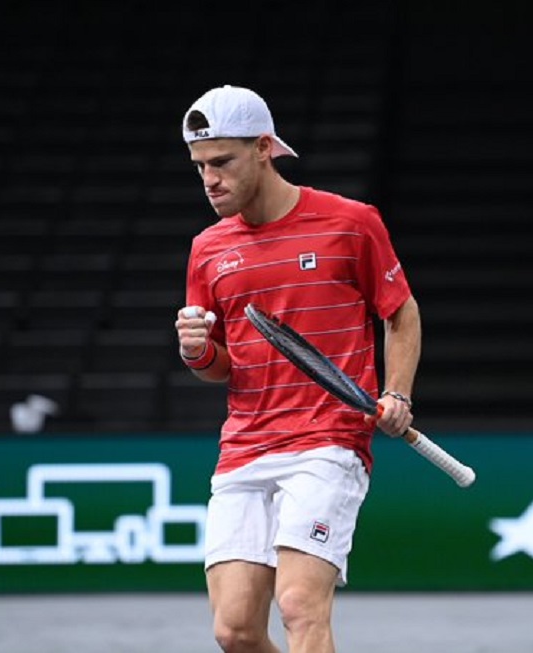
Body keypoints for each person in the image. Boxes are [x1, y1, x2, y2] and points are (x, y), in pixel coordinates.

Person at [174, 84, 421, 653]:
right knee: (234, 630)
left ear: (264, 148)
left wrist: (398, 393)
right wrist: (196, 353)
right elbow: (220, 368)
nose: (209, 179)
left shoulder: (351, 223)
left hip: (328, 443)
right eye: (200, 167)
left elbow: (401, 313)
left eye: (222, 162)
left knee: (299, 607)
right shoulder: (207, 249)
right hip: (245, 446)